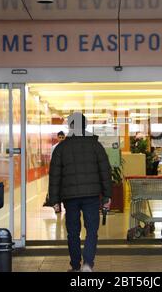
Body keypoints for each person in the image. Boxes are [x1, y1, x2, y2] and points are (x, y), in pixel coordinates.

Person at [49, 113, 112, 272]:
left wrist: (54, 200)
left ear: (70, 126)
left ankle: (75, 266)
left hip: (70, 198)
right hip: (91, 195)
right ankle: (88, 264)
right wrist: (107, 196)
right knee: (92, 230)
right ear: (85, 126)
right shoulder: (95, 146)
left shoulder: (61, 148)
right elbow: (105, 171)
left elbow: (55, 176)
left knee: (73, 232)